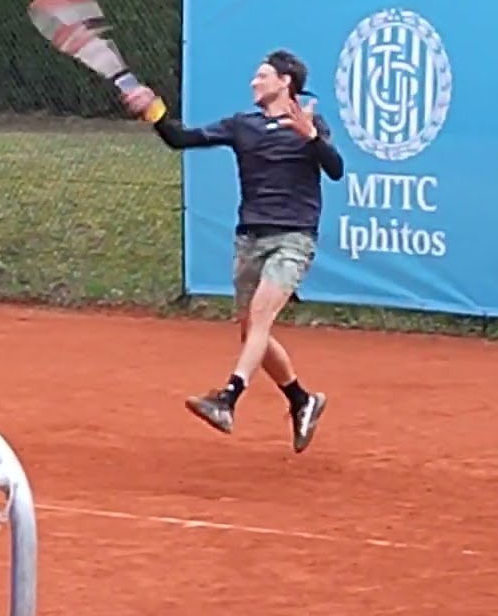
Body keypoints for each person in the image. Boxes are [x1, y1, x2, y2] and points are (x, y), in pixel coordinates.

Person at [121, 49, 345, 453]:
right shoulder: (243, 125)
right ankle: (302, 399)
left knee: (260, 318)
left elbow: (334, 168)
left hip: (294, 238)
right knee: (250, 329)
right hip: (249, 239)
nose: (254, 82)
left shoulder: (310, 123)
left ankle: (227, 398)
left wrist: (310, 138)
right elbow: (180, 138)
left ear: (285, 82)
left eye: (262, 76)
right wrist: (152, 111)